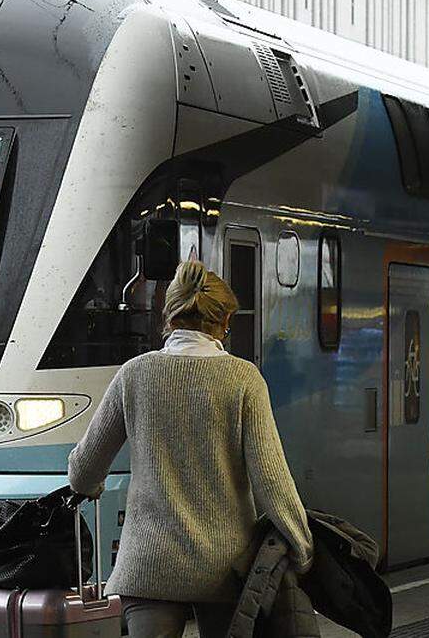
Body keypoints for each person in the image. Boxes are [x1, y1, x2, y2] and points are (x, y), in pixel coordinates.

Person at [67, 260, 313, 637]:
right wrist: (300, 545)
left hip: (148, 567)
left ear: (169, 317)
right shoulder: (243, 379)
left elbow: (83, 470)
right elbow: (272, 481)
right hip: (225, 568)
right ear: (223, 322)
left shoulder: (133, 374)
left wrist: (90, 488)